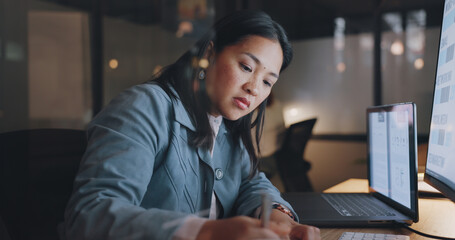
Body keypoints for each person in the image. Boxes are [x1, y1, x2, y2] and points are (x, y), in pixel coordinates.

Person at [62, 10, 321, 240]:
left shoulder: (226, 127)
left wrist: (280, 216)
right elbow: (90, 215)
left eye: (267, 82)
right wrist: (207, 232)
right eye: (245, 66)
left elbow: (251, 183)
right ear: (209, 53)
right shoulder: (145, 106)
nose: (253, 88)